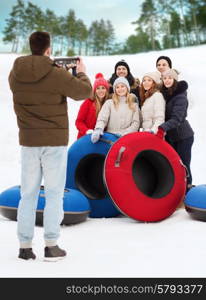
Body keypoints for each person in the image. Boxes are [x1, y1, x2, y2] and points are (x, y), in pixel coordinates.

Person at [8, 31, 92, 261]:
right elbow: (85, 91)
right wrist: (81, 73)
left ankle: (25, 247)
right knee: (54, 194)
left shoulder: (15, 73)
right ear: (48, 48)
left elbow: (34, 81)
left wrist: (51, 68)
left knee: (27, 194)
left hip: (28, 142)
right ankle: (51, 246)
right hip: (54, 143)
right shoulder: (56, 74)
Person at [158, 69, 194, 193]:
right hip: (173, 136)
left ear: (174, 80)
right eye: (165, 78)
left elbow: (177, 119)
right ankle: (178, 191)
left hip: (184, 136)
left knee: (183, 164)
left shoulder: (180, 97)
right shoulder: (166, 94)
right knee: (174, 165)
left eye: (170, 78)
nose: (167, 80)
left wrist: (162, 127)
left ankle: (188, 191)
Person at [91, 77, 140, 143]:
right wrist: (98, 129)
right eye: (117, 87)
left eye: (122, 86)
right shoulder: (109, 103)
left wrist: (124, 133)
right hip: (110, 139)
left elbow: (136, 123)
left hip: (127, 139)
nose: (120, 89)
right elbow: (102, 119)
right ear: (115, 89)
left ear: (127, 88)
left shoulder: (134, 105)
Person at [75, 73, 109, 139]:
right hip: (85, 137)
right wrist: (86, 130)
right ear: (94, 90)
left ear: (107, 90)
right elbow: (79, 121)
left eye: (103, 88)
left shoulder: (108, 103)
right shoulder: (88, 102)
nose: (101, 91)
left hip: (101, 139)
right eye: (98, 88)